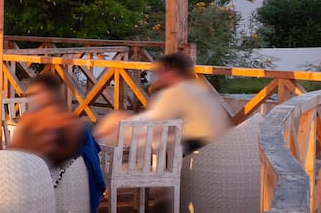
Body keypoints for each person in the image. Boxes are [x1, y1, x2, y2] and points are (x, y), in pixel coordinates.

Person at [9, 69, 105, 213]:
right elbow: (16, 147)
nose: (34, 99)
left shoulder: (65, 120)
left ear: (51, 94)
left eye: (38, 94)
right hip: (29, 164)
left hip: (53, 168)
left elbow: (64, 151)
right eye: (32, 95)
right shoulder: (30, 118)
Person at [97, 52, 233, 152]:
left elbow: (155, 122)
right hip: (217, 147)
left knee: (114, 128)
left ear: (170, 71)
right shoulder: (197, 89)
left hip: (197, 148)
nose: (156, 74)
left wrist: (116, 127)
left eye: (159, 71)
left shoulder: (175, 92)